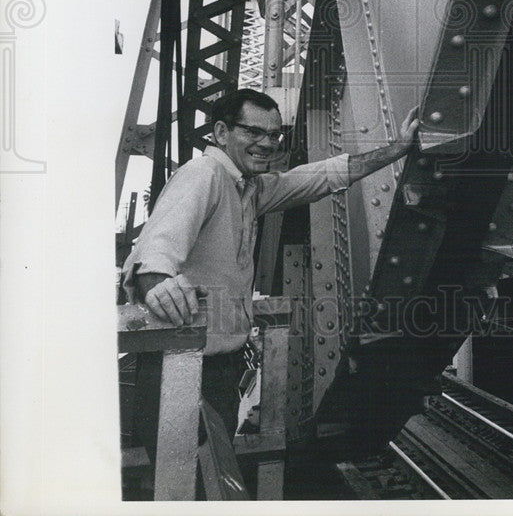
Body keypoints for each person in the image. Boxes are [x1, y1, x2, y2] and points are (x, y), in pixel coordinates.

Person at [122, 87, 419, 459]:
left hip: (211, 364)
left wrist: (396, 149)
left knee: (204, 472)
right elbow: (154, 251)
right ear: (220, 133)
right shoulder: (204, 174)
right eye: (253, 132)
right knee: (183, 478)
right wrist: (156, 284)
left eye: (274, 134)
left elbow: (317, 177)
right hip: (182, 368)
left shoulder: (248, 187)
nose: (267, 143)